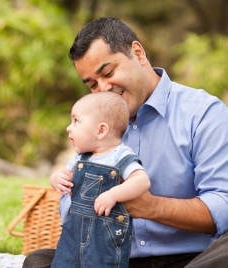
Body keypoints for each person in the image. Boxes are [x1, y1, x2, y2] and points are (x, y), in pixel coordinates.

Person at [23, 17, 228, 268]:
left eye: (108, 72)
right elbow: (68, 203)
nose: (104, 89)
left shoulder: (203, 113)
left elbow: (223, 205)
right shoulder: (95, 125)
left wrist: (150, 207)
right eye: (92, 85)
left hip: (192, 259)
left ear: (138, 53)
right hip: (113, 259)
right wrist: (80, 195)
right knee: (37, 262)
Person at [50, 92, 150, 268]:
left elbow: (141, 181)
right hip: (73, 233)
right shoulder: (81, 157)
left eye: (76, 121)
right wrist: (56, 178)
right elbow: (64, 175)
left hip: (104, 237)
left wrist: (113, 194)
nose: (69, 127)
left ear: (101, 130)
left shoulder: (121, 155)